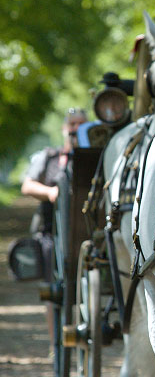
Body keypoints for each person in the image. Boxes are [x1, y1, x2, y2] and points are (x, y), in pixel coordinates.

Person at [21, 108, 88, 342]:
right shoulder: (48, 157)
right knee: (52, 288)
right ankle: (55, 342)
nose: (76, 129)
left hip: (85, 233)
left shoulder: (93, 158)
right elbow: (27, 185)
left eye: (81, 124)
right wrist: (50, 192)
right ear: (64, 128)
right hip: (52, 233)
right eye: (72, 124)